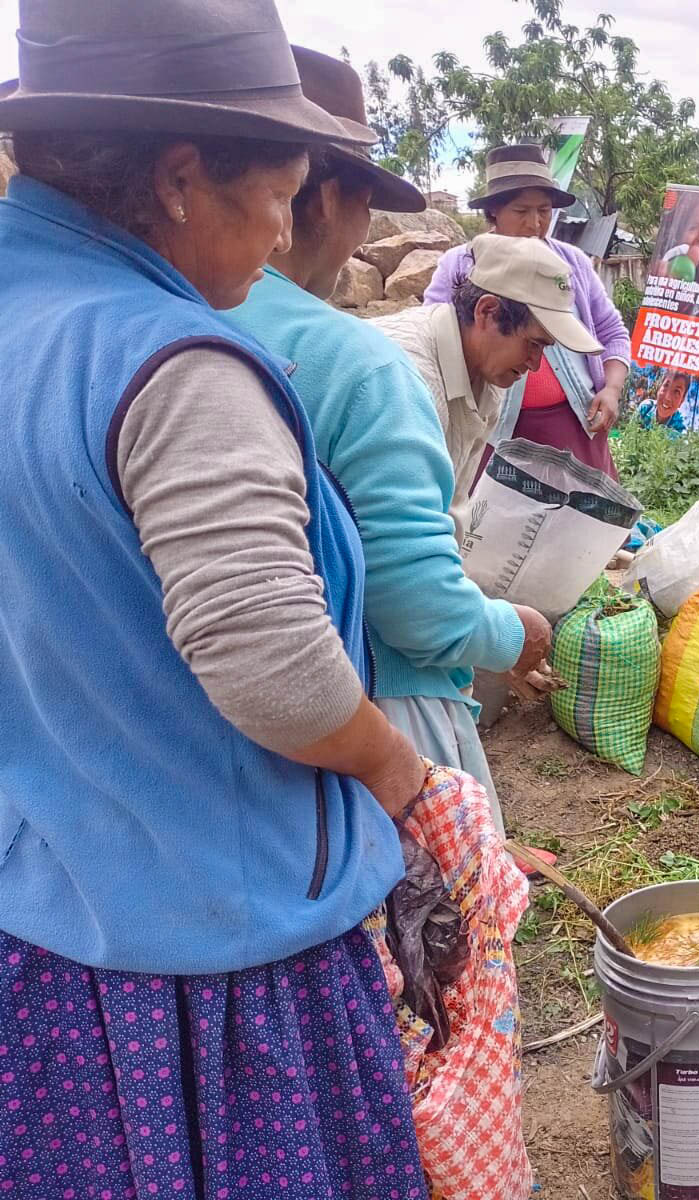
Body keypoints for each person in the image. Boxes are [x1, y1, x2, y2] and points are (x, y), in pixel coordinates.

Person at [0, 1, 433, 1194]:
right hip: (214, 967)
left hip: (51, 925)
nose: (289, 229)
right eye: (285, 193)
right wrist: (395, 770)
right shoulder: (175, 365)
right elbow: (279, 677)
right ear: (183, 178)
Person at [227, 48, 553, 843]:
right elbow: (409, 603)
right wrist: (514, 632)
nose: (537, 368)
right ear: (330, 195)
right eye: (533, 345)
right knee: (441, 908)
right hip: (364, 689)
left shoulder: (175, 316)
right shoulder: (371, 368)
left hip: (234, 728)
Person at [424, 144, 631, 481]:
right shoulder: (460, 264)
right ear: (494, 211)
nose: (535, 223)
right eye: (521, 210)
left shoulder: (572, 263)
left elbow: (612, 333)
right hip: (494, 431)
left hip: (572, 425)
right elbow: (437, 335)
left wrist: (611, 390)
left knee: (583, 525)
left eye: (544, 211)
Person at [373, 232, 604, 526]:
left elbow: (452, 507)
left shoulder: (489, 382)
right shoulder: (409, 379)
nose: (535, 365)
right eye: (533, 344)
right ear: (487, 311)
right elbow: (397, 529)